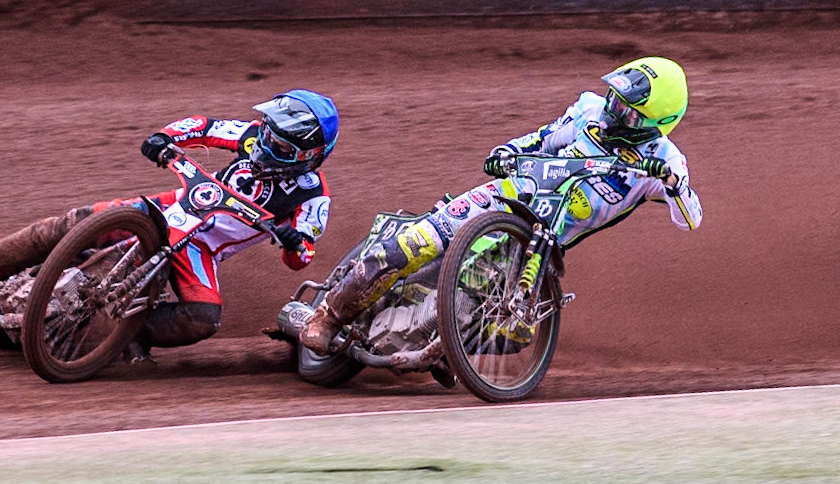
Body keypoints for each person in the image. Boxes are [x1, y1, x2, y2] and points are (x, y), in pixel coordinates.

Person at [300, 57, 701, 355]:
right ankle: (328, 316)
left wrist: (675, 185)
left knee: (518, 331)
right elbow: (541, 140)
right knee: (413, 244)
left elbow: (691, 220)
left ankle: (447, 352)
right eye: (615, 99)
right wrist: (506, 151)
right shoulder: (588, 112)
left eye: (628, 112)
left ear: (657, 122)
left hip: (537, 244)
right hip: (505, 196)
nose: (615, 111)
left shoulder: (664, 161)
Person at [0, 89, 339, 353]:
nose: (266, 143)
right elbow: (204, 126)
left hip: (202, 248)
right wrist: (165, 137)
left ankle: (122, 336)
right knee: (80, 220)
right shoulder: (251, 135)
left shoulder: (313, 196)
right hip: (168, 209)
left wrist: (292, 242)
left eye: (280, 144)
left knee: (203, 319)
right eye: (268, 133)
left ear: (308, 155)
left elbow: (304, 253)